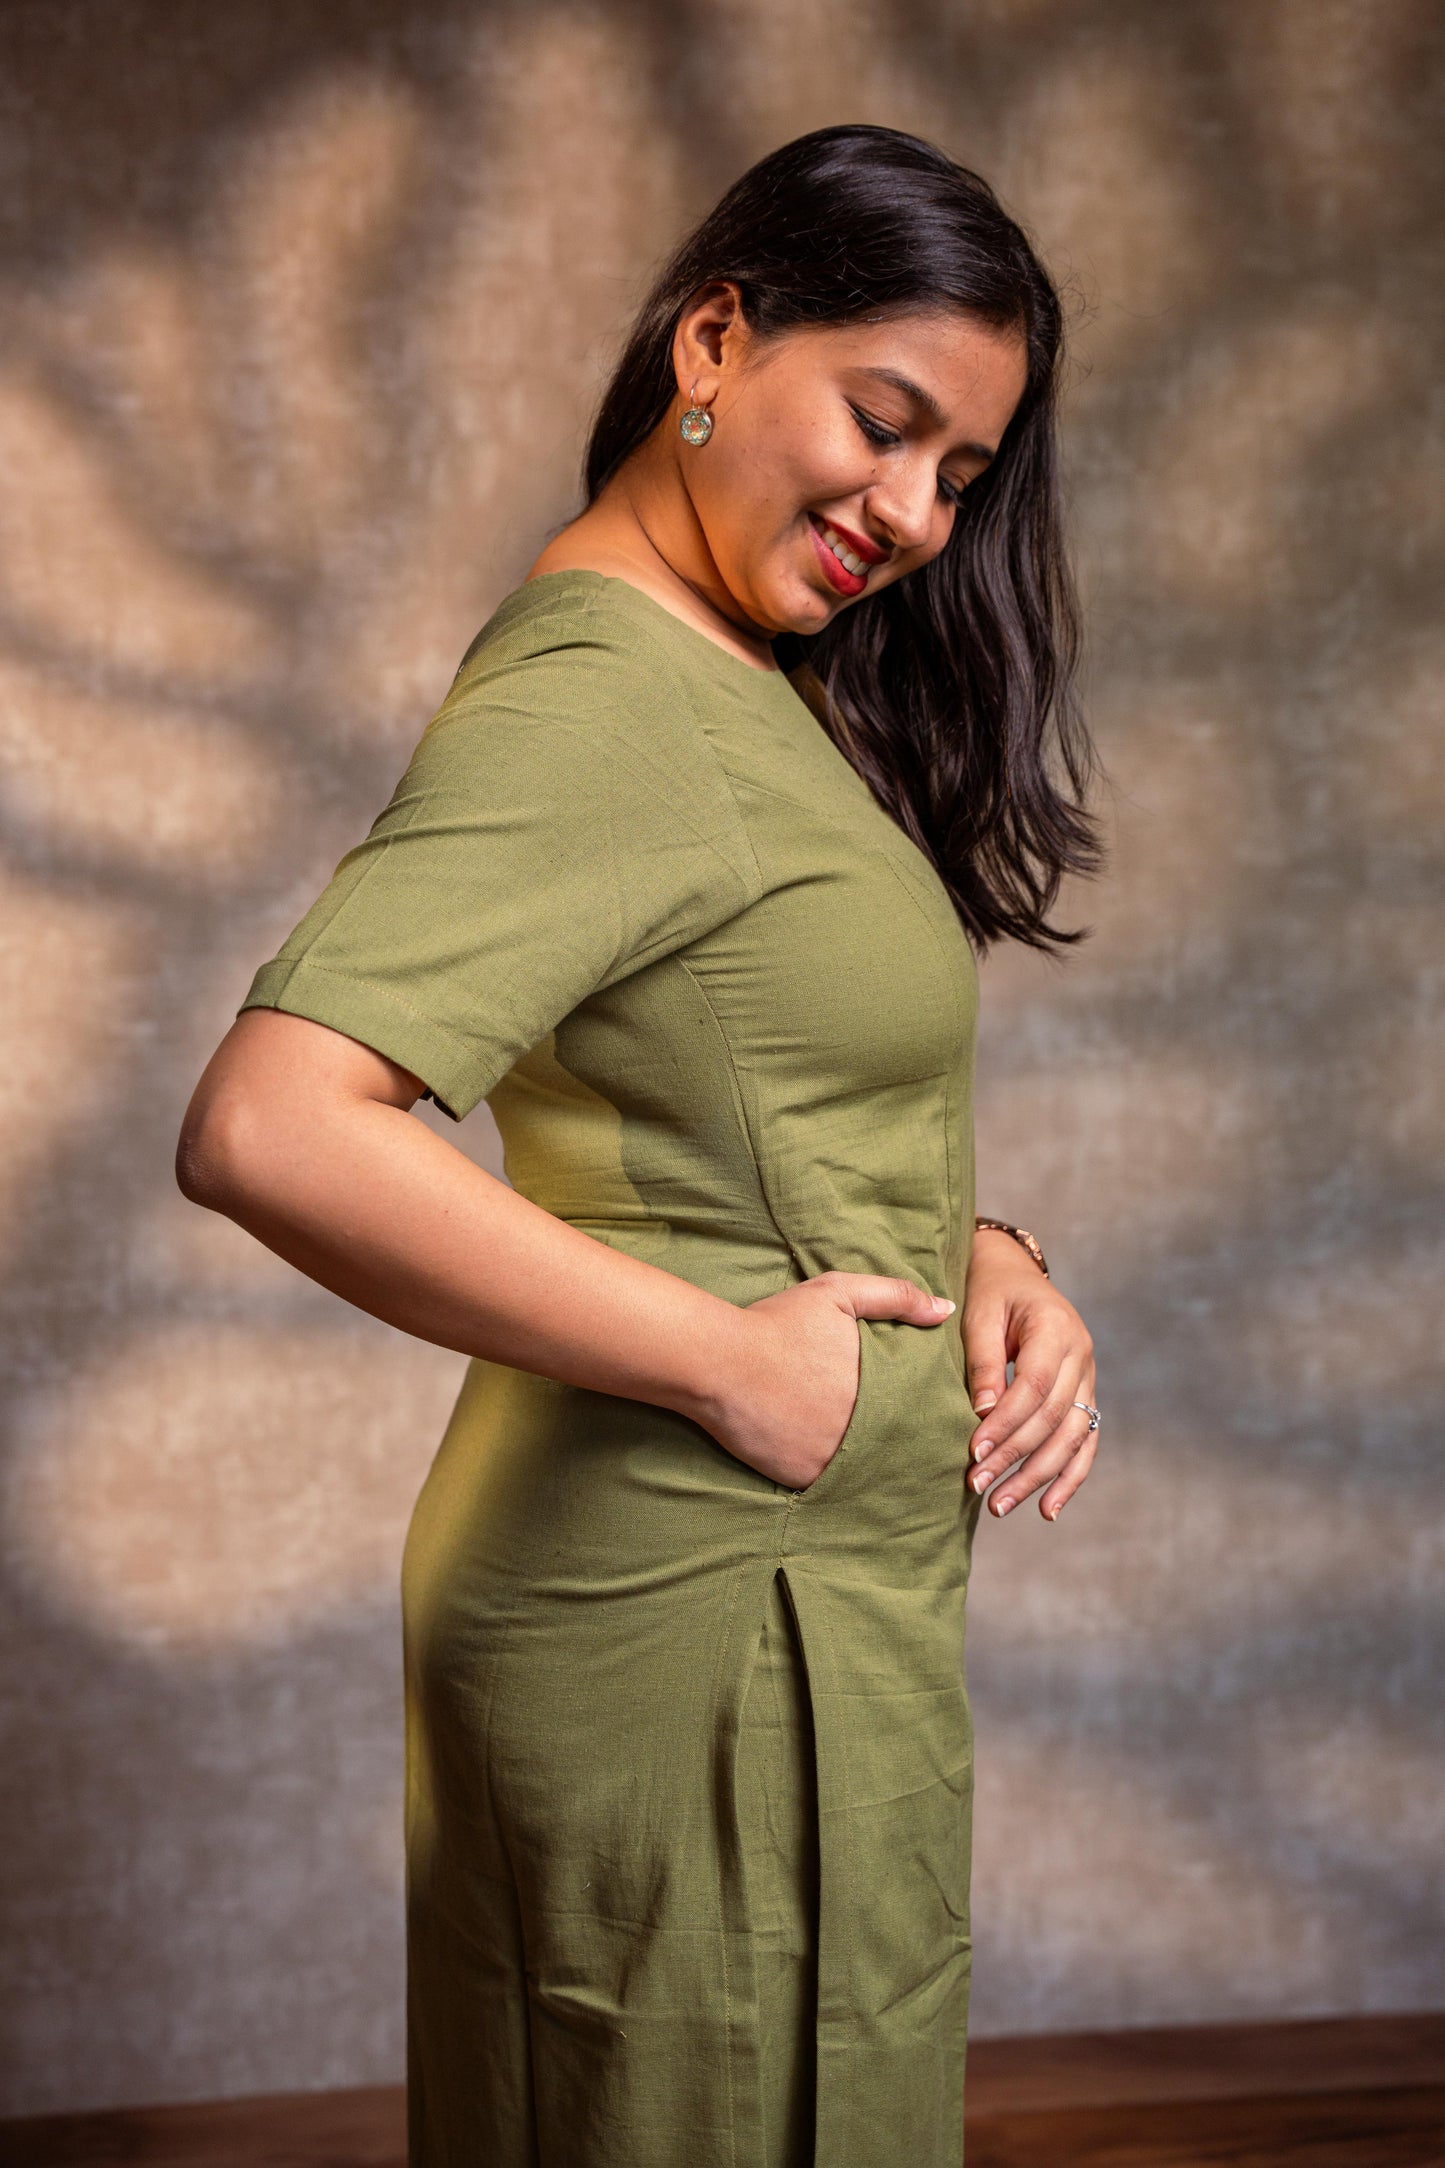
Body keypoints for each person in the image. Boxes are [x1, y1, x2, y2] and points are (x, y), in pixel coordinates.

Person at [177, 123, 1104, 2168]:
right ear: (716, 335)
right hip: (701, 1600)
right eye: (886, 421)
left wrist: (981, 1246)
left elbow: (730, 1088)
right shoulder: (609, 693)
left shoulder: (729, 677)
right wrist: (723, 1357)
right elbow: (271, 1121)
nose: (914, 511)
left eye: (963, 474)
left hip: (763, 1607)